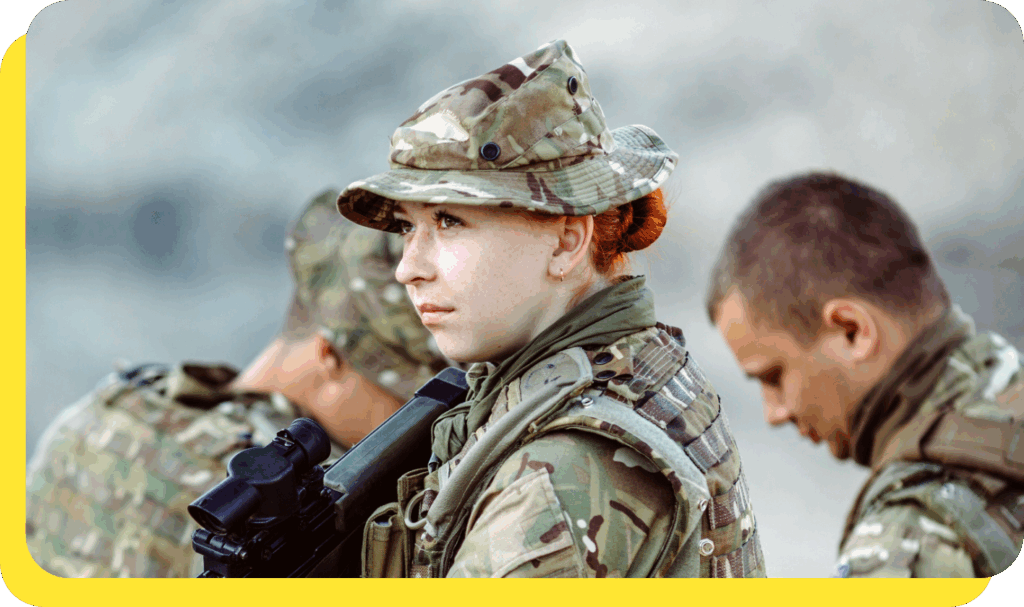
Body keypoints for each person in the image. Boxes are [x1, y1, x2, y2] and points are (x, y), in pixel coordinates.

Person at [335, 39, 766, 578]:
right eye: (407, 226)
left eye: (449, 220)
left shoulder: (559, 477)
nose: (408, 267)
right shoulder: (638, 363)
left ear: (566, 243)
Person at [26, 189, 451, 577]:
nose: (422, 426)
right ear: (330, 357)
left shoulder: (107, 409)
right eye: (409, 398)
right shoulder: (278, 510)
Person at [706, 172, 1024, 577]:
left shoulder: (905, 540)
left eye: (774, 377)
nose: (774, 412)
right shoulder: (1006, 376)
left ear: (853, 331)